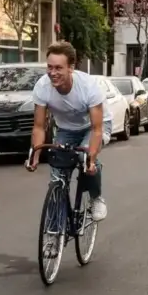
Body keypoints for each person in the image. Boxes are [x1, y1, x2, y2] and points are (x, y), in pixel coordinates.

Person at [26, 40, 111, 222]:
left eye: (58, 68)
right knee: (57, 173)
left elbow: (97, 129)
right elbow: (39, 126)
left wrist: (91, 159)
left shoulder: (88, 87)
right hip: (66, 128)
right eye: (50, 67)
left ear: (71, 68)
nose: (53, 73)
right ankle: (55, 228)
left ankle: (96, 198)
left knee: (84, 158)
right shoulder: (42, 87)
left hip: (94, 126)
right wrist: (35, 155)